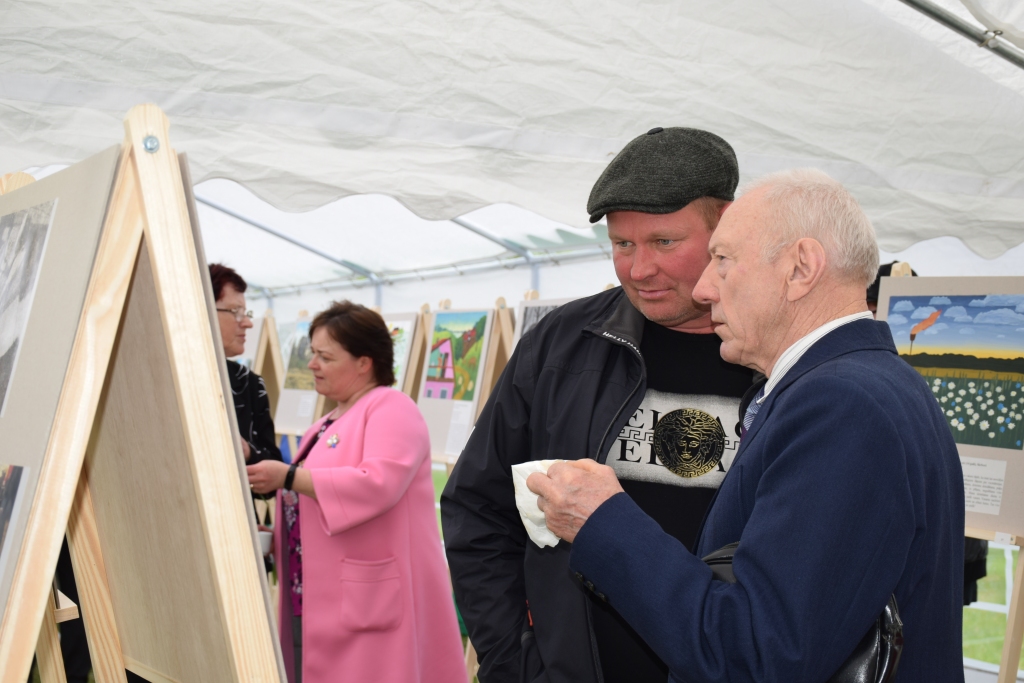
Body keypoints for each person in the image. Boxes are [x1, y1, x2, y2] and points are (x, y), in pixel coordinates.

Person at [528, 169, 965, 681]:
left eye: (723, 261)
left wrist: (602, 521)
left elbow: (760, 654)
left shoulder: (841, 404)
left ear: (801, 268)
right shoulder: (870, 384)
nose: (706, 287)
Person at [441, 127, 756, 683]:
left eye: (663, 242)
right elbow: (476, 509)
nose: (639, 269)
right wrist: (514, 663)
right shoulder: (562, 345)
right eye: (622, 244)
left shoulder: (776, 353)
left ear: (725, 228)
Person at [246, 301, 465, 683]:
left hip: (367, 605)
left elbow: (376, 483)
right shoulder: (328, 420)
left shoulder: (392, 407)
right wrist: (278, 535)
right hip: (316, 598)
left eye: (324, 356)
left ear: (364, 362)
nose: (312, 364)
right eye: (312, 353)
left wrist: (287, 476)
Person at [210, 263, 282, 468]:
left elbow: (274, 464)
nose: (248, 323)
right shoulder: (163, 379)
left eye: (245, 312)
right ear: (201, 309)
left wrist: (249, 453)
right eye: (235, 311)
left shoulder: (249, 384)